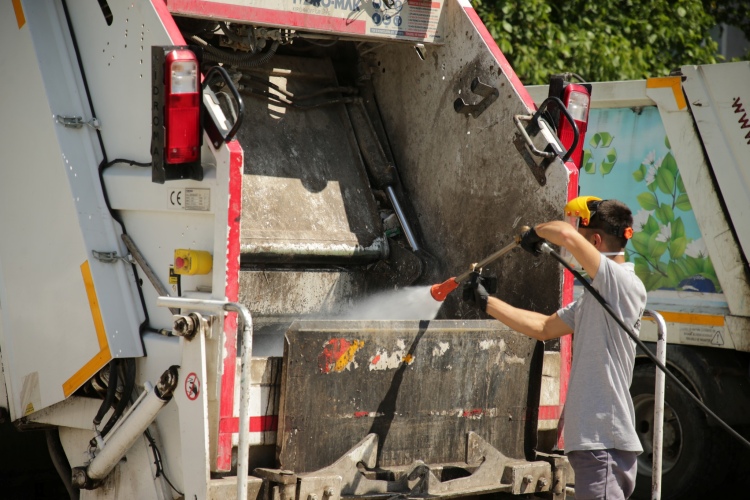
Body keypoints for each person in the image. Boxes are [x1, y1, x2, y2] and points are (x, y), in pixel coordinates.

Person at [463, 196, 647, 500]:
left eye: (585, 241)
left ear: (596, 241)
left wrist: (533, 233)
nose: (574, 251)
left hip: (603, 440)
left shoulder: (622, 285)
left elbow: (564, 233)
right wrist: (486, 302)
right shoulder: (596, 296)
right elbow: (544, 327)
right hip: (596, 441)